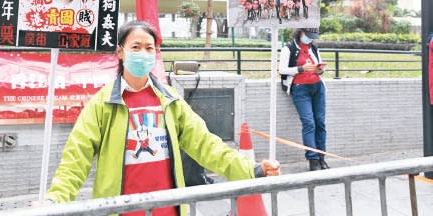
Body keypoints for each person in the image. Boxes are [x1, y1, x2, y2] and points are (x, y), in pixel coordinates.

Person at [46, 20, 281, 214]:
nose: (143, 53)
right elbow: (75, 159)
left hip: (168, 210)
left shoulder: (170, 100)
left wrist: (253, 170)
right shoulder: (102, 103)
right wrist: (54, 200)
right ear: (120, 52)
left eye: (149, 48)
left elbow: (206, 145)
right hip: (119, 211)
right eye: (135, 47)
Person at [279, 28, 328, 171]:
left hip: (317, 87)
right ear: (299, 33)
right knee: (309, 123)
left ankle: (322, 158)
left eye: (312, 37)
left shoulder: (313, 47)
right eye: (308, 36)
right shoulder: (288, 48)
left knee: (320, 123)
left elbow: (320, 65)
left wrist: (320, 70)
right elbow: (282, 69)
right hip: (300, 88)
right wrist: (301, 68)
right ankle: (313, 160)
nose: (310, 39)